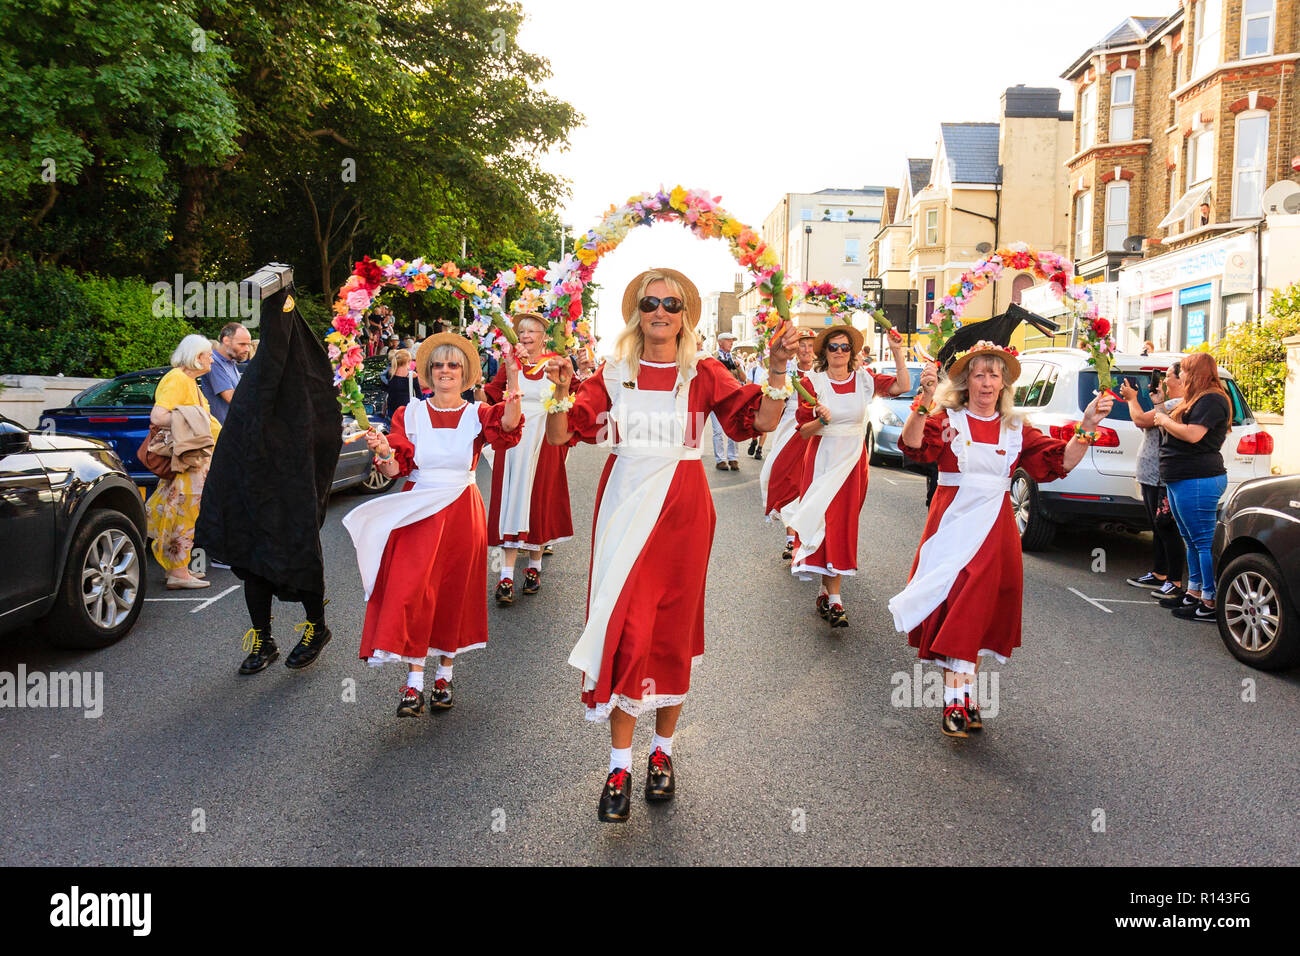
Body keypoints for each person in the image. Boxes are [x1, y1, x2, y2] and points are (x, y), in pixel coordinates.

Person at [543, 267, 798, 823]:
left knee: (671, 631)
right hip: (625, 502)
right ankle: (618, 765)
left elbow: (758, 420)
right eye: (650, 303)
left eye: (672, 304)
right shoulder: (612, 372)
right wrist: (560, 391)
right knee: (626, 626)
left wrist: (778, 367)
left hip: (683, 511)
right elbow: (562, 435)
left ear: (685, 315)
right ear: (636, 312)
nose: (660, 312)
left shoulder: (703, 372)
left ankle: (662, 754)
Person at [891, 343, 1113, 738]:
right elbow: (911, 445)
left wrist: (1089, 424)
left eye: (995, 375)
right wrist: (924, 401)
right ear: (965, 381)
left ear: (1005, 383)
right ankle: (958, 703)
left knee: (976, 611)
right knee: (955, 604)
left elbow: (1059, 461)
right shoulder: (948, 419)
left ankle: (963, 700)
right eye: (980, 374)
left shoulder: (1016, 428)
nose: (988, 382)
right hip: (952, 525)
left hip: (994, 529)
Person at [344, 334, 522, 715]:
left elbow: (507, 424)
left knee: (452, 593)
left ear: (466, 374)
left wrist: (515, 384)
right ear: (427, 372)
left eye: (453, 365)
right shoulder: (408, 414)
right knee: (412, 590)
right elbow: (394, 468)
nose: (445, 371)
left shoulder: (478, 413)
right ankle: (413, 683)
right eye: (438, 365)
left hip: (461, 508)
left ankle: (445, 676)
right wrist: (382, 452)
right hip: (419, 508)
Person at [196, 288, 343, 674]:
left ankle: (317, 628)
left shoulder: (309, 386)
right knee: (252, 560)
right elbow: (236, 438)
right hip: (254, 491)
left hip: (293, 495)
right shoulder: (254, 383)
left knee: (302, 559)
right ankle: (263, 640)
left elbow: (325, 436)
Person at [781, 323, 910, 627]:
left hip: (852, 461)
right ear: (824, 351)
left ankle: (829, 592)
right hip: (822, 459)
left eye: (845, 347)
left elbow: (902, 386)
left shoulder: (864, 380)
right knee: (824, 522)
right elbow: (803, 433)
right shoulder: (810, 381)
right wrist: (820, 421)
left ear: (852, 352)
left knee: (841, 523)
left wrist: (896, 351)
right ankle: (834, 598)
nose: (839, 352)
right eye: (833, 347)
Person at [482, 311, 574, 603]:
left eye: (532, 331)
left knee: (538, 502)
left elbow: (572, 398)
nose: (525, 335)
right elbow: (492, 397)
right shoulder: (510, 365)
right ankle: (506, 578)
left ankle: (533, 569)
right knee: (511, 502)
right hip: (513, 441)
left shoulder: (554, 362)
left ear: (543, 336)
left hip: (544, 441)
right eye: (521, 331)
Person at [1152, 352, 1231, 623]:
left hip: (1198, 478)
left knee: (1202, 542)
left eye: (1183, 370)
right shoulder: (1196, 399)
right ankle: (1195, 593)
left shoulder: (1212, 399)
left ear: (1195, 372)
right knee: (1190, 539)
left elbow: (1193, 434)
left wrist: (1163, 420)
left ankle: (1209, 600)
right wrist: (1160, 407)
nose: (1180, 375)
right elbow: (1172, 427)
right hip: (1182, 477)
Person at [146, 334, 221, 590]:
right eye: (209, 354)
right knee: (183, 512)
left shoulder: (187, 380)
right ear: (197, 357)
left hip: (194, 459)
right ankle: (178, 573)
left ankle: (177, 569)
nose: (212, 358)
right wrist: (195, 420)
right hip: (189, 461)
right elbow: (158, 416)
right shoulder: (178, 379)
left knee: (180, 510)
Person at [1120, 362, 1185, 600]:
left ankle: (1174, 579)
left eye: (1169, 376)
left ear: (1182, 380)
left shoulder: (1175, 405)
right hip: (1150, 474)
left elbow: (1140, 419)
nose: (1165, 381)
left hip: (1160, 475)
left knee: (1166, 526)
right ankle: (1159, 573)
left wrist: (1131, 398)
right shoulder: (1166, 404)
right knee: (1158, 526)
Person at [760, 327, 816, 559]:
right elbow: (773, 395)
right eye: (801, 344)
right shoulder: (786, 372)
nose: (805, 349)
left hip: (816, 430)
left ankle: (808, 538)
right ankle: (790, 538)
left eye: (810, 345)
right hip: (789, 430)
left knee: (810, 485)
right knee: (782, 478)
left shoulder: (823, 373)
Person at [200, 322, 251, 425]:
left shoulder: (231, 362)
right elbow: (233, 399)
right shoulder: (213, 363)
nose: (247, 349)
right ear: (226, 340)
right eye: (242, 344)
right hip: (220, 434)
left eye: (248, 344)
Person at [711, 331, 742, 470]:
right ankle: (720, 460)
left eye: (732, 341)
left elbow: (743, 378)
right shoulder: (712, 357)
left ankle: (733, 458)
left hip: (732, 398)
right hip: (717, 399)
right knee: (718, 431)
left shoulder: (735, 358)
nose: (731, 343)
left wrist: (738, 366)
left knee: (733, 429)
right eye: (728, 340)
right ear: (720, 343)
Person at [384, 348, 424, 417]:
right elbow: (419, 395)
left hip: (392, 409)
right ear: (408, 361)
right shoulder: (411, 375)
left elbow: (387, 391)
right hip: (406, 410)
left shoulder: (390, 373)